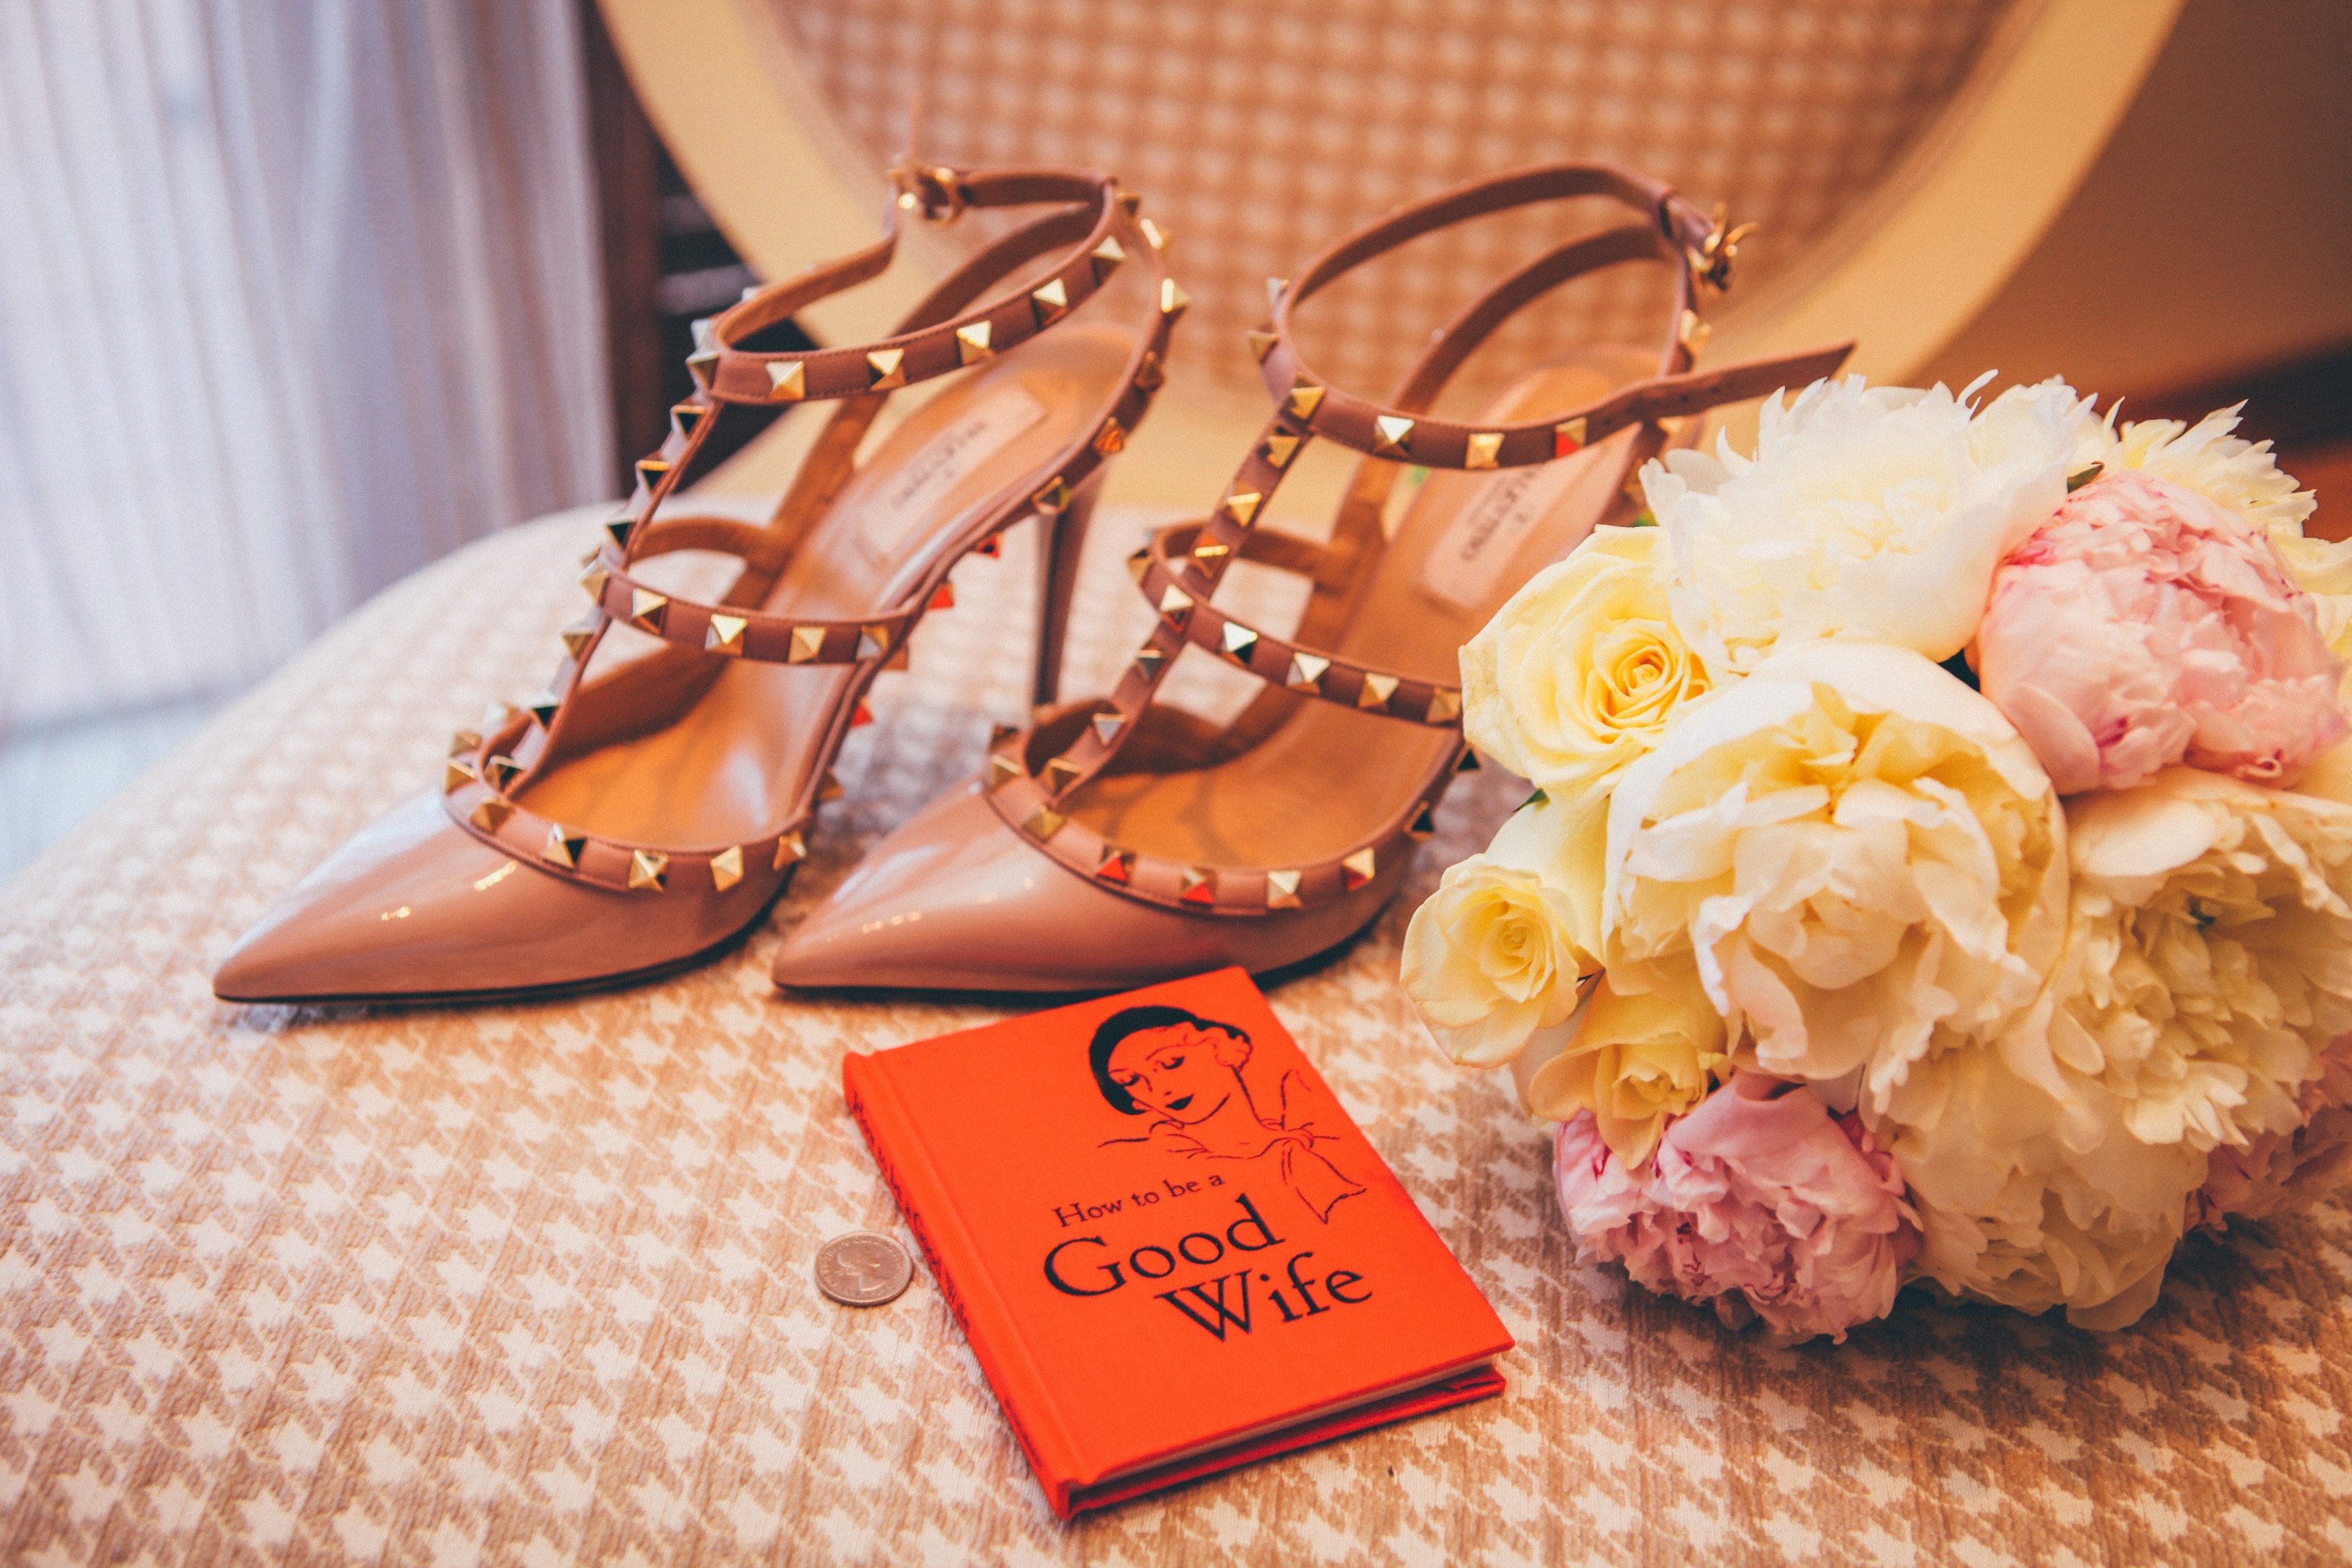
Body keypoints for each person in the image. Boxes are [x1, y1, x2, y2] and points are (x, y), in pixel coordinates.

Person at [1088, 1005, 1363, 1222]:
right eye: (1131, 1081)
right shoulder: (1133, 1156)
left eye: (1171, 1062)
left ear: (1221, 1047)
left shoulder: (1298, 1154)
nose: (1158, 1089)